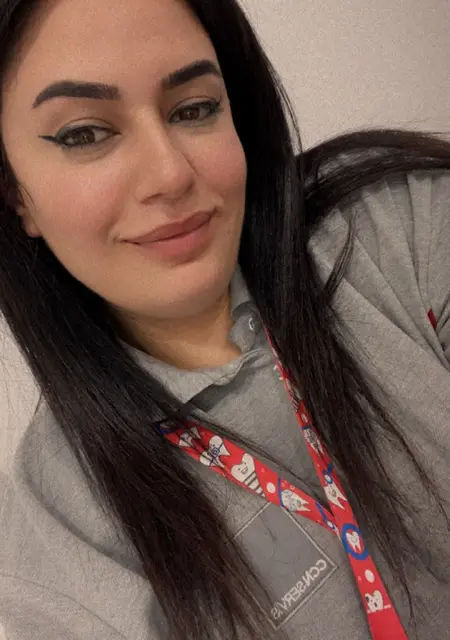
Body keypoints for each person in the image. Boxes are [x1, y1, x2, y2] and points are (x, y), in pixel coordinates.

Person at [0, 0, 449, 638]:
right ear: (15, 193)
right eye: (84, 134)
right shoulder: (58, 532)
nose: (170, 174)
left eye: (194, 109)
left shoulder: (394, 226)